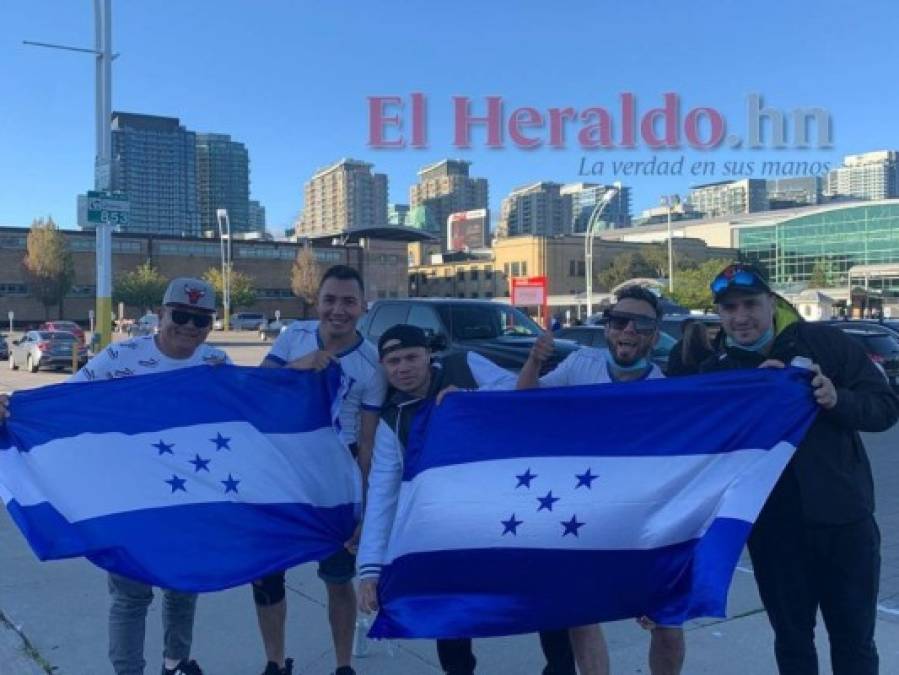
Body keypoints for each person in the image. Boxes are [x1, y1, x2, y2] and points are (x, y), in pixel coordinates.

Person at [699, 263, 899, 675]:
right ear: (719, 314)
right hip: (774, 534)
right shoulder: (715, 375)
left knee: (854, 643)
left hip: (845, 524)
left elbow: (884, 408)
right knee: (792, 645)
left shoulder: (825, 342)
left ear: (772, 302)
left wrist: (834, 398)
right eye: (729, 308)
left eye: (751, 304)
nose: (741, 317)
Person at [357, 324, 579, 675]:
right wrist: (370, 568)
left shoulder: (465, 365)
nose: (403, 368)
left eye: (411, 357)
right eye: (393, 361)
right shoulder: (394, 419)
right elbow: (383, 496)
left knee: (544, 599)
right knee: (449, 614)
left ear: (428, 354)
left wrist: (473, 404)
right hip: (451, 528)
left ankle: (560, 670)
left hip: (511, 508)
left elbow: (522, 399)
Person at [517, 284, 684, 675]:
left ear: (655, 335)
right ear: (607, 328)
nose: (628, 330)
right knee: (582, 616)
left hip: (645, 522)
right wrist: (533, 362)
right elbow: (523, 406)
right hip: (584, 514)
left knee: (667, 625)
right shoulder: (582, 365)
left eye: (640, 324)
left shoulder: (665, 392)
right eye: (619, 321)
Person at [74, 277, 228, 675]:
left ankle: (176, 663)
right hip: (128, 501)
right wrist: (13, 410)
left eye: (201, 319)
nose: (190, 327)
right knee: (130, 597)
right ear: (160, 314)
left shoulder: (217, 365)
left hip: (189, 501)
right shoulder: (118, 359)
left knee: (183, 589)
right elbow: (66, 403)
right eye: (181, 315)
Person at [254, 265, 386, 675]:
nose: (338, 310)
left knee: (336, 577)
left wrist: (363, 511)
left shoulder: (371, 361)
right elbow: (255, 391)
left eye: (349, 301)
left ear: (363, 307)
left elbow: (367, 446)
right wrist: (301, 367)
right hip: (283, 475)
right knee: (267, 577)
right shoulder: (293, 337)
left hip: (335, 481)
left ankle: (343, 665)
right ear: (317, 302)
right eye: (330, 300)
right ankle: (275, 663)